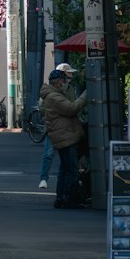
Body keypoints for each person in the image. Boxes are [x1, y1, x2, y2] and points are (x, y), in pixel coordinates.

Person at [43, 65, 88, 208]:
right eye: (63, 81)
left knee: (65, 168)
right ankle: (68, 198)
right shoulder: (54, 96)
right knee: (71, 169)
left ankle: (61, 197)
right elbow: (71, 109)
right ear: (57, 82)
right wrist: (84, 96)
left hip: (63, 135)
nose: (64, 83)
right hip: (66, 137)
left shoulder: (53, 95)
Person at [36, 64, 71, 188]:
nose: (69, 77)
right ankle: (44, 178)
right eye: (67, 74)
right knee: (50, 153)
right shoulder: (54, 92)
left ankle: (45, 179)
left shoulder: (68, 88)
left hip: (58, 126)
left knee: (51, 154)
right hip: (56, 126)